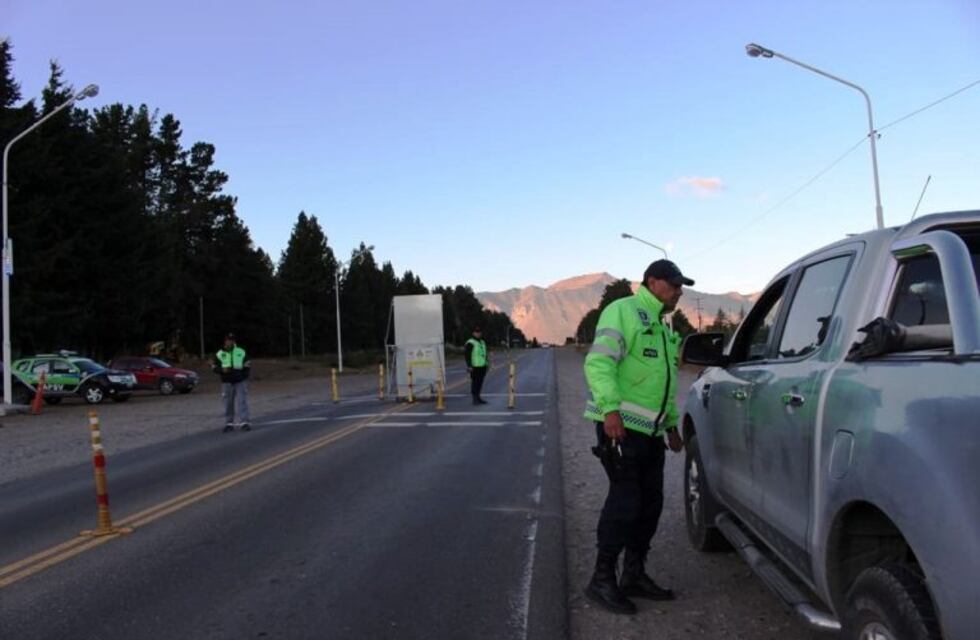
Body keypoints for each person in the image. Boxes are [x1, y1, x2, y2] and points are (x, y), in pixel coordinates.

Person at [581, 259, 692, 615]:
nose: (679, 292)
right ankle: (602, 579)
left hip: (651, 432)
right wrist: (610, 410)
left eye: (681, 286)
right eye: (674, 284)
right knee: (625, 502)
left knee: (650, 505)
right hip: (622, 429)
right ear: (652, 282)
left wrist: (671, 425)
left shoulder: (663, 324)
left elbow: (664, 382)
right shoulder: (623, 311)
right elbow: (599, 363)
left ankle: (633, 573)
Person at [213, 333, 251, 432]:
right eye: (228, 340)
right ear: (225, 341)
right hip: (227, 382)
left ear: (234, 341)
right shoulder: (220, 353)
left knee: (242, 401)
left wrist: (243, 376)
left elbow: (247, 364)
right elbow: (214, 367)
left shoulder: (240, 351)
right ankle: (229, 423)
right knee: (228, 403)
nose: (230, 341)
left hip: (240, 381)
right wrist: (222, 370)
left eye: (232, 340)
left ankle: (244, 423)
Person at [464, 326, 489, 405]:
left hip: (482, 366)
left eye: (479, 332)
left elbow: (485, 354)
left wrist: (487, 364)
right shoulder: (470, 342)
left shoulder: (482, 342)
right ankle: (475, 399)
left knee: (480, 382)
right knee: (475, 382)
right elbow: (467, 355)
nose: (478, 334)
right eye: (476, 332)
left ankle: (478, 397)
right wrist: (469, 366)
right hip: (474, 366)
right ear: (473, 333)